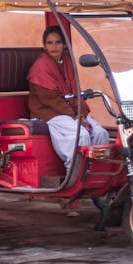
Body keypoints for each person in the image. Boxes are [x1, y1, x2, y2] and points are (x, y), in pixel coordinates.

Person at [27, 25, 110, 170]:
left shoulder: (67, 61)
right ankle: (75, 174)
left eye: (58, 42)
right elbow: (51, 100)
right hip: (50, 112)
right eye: (49, 43)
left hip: (70, 111)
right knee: (81, 135)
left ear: (64, 44)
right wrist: (76, 116)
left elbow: (75, 91)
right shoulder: (41, 66)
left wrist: (82, 114)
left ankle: (96, 172)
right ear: (44, 45)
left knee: (100, 133)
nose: (54, 46)